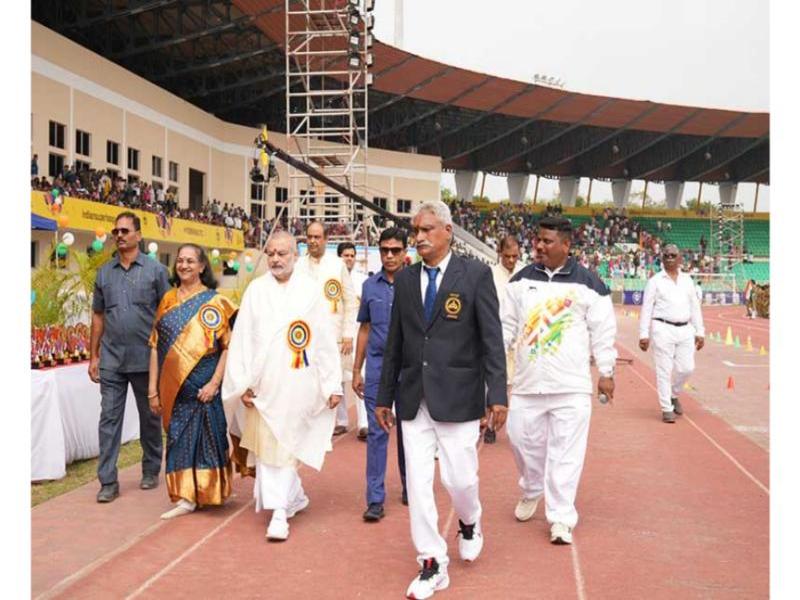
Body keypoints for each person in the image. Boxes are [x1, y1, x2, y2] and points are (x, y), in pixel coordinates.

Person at [377, 200, 507, 599]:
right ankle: (432, 562)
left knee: (459, 479)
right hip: (414, 399)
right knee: (417, 483)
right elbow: (395, 341)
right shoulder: (405, 279)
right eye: (416, 230)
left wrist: (497, 395)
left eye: (427, 230)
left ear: (448, 231)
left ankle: (470, 520)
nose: (419, 238)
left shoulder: (476, 275)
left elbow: (492, 340)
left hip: (460, 398)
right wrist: (384, 397)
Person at [501, 216, 617, 546]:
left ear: (566, 245)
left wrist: (606, 372)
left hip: (571, 387)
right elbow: (506, 327)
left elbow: (603, 331)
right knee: (521, 441)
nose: (539, 246)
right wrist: (494, 366)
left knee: (566, 454)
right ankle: (532, 487)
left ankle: (561, 517)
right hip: (527, 384)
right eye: (537, 240)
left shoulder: (589, 283)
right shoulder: (521, 280)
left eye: (547, 241)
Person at [222, 231, 343, 541]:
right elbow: (242, 341)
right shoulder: (255, 292)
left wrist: (333, 384)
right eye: (271, 253)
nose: (276, 259)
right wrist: (242, 383)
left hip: (300, 382)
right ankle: (286, 505)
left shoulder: (310, 291)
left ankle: (286, 505)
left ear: (295, 255)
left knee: (288, 445)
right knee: (269, 447)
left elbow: (325, 339)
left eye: (282, 254)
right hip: (264, 386)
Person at [147, 244, 237, 519]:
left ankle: (209, 492)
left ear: (202, 267)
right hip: (174, 389)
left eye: (190, 261)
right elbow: (154, 345)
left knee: (210, 438)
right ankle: (185, 496)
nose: (184, 265)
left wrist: (214, 383)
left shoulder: (216, 302)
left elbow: (228, 347)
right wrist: (152, 390)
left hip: (206, 386)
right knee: (178, 439)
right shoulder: (167, 301)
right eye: (180, 261)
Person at [89, 211, 171, 503]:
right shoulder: (104, 273)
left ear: (138, 234)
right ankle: (108, 481)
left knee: (150, 417)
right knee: (109, 419)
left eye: (125, 230)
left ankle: (150, 469)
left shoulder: (156, 271)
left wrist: (166, 355)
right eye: (116, 231)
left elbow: (168, 313)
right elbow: (98, 315)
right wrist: (93, 355)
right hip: (111, 359)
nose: (120, 235)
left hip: (146, 358)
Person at [352, 228, 409, 523]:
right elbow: (364, 328)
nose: (389, 255)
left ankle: (410, 486)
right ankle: (375, 499)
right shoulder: (369, 286)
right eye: (385, 250)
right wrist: (356, 369)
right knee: (377, 433)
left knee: (410, 432)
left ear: (404, 252)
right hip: (376, 370)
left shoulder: (417, 283)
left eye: (395, 250)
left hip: (409, 369)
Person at [295, 222, 357, 436]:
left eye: (317, 237)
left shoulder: (336, 265)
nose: (312, 241)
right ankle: (310, 424)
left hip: (334, 332)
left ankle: (336, 423)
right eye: (309, 237)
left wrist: (348, 333)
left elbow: (350, 301)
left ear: (326, 239)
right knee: (308, 378)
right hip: (305, 335)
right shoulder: (298, 266)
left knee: (334, 379)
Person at [639, 244, 705, 423]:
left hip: (685, 329)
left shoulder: (687, 280)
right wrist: (644, 334)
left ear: (680, 258)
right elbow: (646, 308)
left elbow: (694, 307)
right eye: (666, 255)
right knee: (664, 370)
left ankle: (674, 393)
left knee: (687, 368)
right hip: (662, 328)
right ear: (662, 258)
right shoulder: (655, 281)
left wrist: (700, 331)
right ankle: (666, 408)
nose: (669, 257)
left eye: (673, 255)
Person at [486, 234, 523, 444]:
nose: (511, 260)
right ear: (500, 253)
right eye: (507, 256)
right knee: (495, 382)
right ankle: (490, 425)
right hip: (497, 336)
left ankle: (516, 430)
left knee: (517, 386)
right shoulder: (490, 275)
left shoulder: (525, 274)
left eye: (515, 256)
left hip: (521, 339)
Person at [338, 241, 369, 440]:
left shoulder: (363, 281)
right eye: (345, 255)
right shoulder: (331, 280)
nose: (349, 258)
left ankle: (364, 423)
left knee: (361, 377)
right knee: (337, 378)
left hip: (358, 335)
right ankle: (341, 421)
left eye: (351, 255)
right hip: (336, 336)